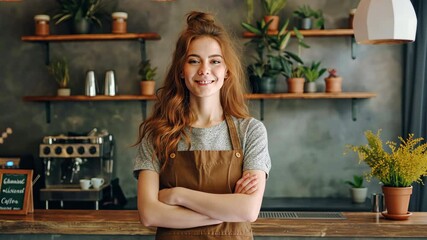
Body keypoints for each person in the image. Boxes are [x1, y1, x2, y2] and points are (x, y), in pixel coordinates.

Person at [133, 11, 271, 240]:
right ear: (181, 70)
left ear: (227, 71)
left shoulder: (251, 131)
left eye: (215, 61)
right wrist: (227, 211)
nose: (204, 70)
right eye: (194, 60)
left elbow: (248, 210)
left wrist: (177, 195)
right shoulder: (157, 134)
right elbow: (149, 214)